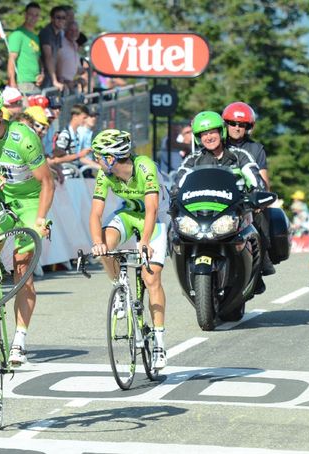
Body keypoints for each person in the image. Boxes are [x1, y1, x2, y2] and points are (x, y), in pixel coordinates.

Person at [0, 83, 54, 366]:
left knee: (22, 266)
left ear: (0, 116)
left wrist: (40, 219)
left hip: (29, 200)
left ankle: (19, 339)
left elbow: (47, 183)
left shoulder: (24, 138)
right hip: (2, 196)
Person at [89, 129, 169, 370]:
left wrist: (144, 241)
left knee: (151, 277)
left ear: (112, 158)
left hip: (155, 218)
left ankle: (159, 342)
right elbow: (95, 213)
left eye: (98, 155)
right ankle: (119, 289)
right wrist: (97, 243)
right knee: (106, 243)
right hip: (128, 214)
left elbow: (152, 209)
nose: (95, 159)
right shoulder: (105, 175)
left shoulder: (144, 167)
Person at [172, 111, 267, 292]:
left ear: (221, 132)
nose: (209, 137)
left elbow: (255, 178)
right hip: (203, 213)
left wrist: (258, 192)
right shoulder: (192, 160)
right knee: (176, 231)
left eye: (212, 132)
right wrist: (174, 198)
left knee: (257, 225)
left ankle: (259, 269)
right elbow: (179, 183)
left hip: (234, 211)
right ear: (199, 138)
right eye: (204, 134)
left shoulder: (240, 156)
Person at [222, 101, 275, 276]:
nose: (237, 128)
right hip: (219, 197)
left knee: (260, 212)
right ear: (225, 124)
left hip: (245, 200)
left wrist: (259, 199)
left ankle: (262, 258)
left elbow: (264, 179)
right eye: (233, 123)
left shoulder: (256, 149)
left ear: (249, 127)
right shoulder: (217, 146)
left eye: (242, 124)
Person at [7, 2, 44, 95]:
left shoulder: (35, 37)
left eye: (36, 15)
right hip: (23, 83)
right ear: (25, 15)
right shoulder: (18, 34)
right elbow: (12, 58)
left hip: (36, 82)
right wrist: (12, 82)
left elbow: (38, 59)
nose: (34, 18)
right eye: (31, 14)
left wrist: (42, 74)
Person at [39, 6, 67, 91]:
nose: (61, 20)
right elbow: (48, 56)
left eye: (63, 18)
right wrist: (55, 80)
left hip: (52, 75)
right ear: (52, 18)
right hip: (44, 75)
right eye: (58, 17)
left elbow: (59, 56)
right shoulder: (47, 32)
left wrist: (60, 77)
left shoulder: (59, 34)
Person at [56, 21, 84, 93]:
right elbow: (55, 62)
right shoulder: (60, 43)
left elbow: (77, 68)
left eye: (76, 30)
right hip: (62, 84)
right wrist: (61, 80)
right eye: (71, 30)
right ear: (66, 31)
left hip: (72, 84)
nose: (74, 33)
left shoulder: (75, 45)